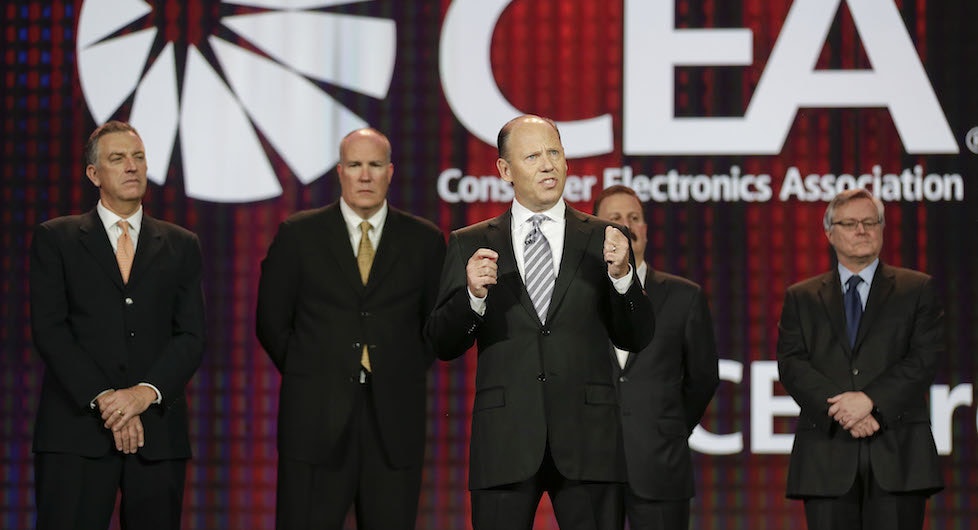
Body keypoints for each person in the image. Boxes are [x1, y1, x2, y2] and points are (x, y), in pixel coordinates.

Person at [425, 115, 654, 530]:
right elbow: (443, 342)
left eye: (554, 153)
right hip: (505, 442)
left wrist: (623, 277)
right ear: (505, 170)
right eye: (532, 156)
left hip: (589, 442)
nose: (548, 165)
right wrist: (473, 296)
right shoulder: (470, 242)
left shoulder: (604, 237)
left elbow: (636, 336)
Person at [256, 128, 446, 529]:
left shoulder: (424, 240)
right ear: (340, 171)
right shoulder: (298, 234)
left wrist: (399, 367)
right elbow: (271, 323)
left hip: (394, 422)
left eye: (374, 165)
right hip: (314, 420)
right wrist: (311, 371)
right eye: (355, 165)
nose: (365, 175)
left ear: (390, 172)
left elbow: (434, 326)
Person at [29, 120, 205, 530]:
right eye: (118, 158)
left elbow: (191, 335)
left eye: (138, 157)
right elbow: (51, 331)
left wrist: (143, 395)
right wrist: (108, 400)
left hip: (157, 435)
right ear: (94, 174)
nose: (131, 166)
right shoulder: (57, 239)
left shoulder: (181, 244)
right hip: (75, 434)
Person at [776, 188, 944, 530]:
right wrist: (843, 409)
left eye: (870, 222)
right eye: (850, 223)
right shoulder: (802, 297)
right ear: (829, 233)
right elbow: (792, 364)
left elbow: (924, 358)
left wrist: (870, 401)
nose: (861, 230)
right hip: (826, 456)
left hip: (899, 456)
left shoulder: (916, 289)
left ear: (882, 229)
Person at [592, 185, 719, 530]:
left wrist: (668, 428)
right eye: (615, 219)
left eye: (635, 218)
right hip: (591, 468)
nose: (627, 226)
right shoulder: (577, 297)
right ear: (596, 232)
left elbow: (703, 378)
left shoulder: (684, 297)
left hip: (661, 465)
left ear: (646, 230)